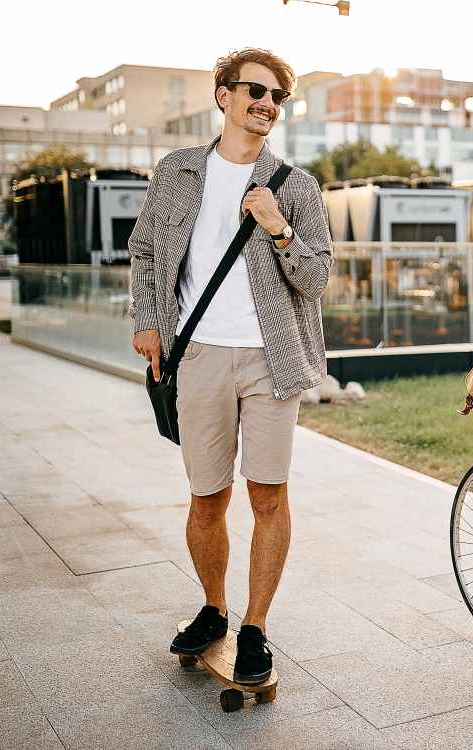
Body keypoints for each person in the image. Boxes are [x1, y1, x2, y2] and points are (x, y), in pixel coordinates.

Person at [128, 48, 332, 682]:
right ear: (223, 96)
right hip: (199, 357)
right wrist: (145, 320)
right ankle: (214, 609)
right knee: (206, 498)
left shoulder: (295, 187)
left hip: (272, 360)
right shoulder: (178, 173)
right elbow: (144, 253)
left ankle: (255, 628)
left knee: (268, 498)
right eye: (255, 91)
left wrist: (278, 227)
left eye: (278, 97)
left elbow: (317, 278)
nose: (267, 104)